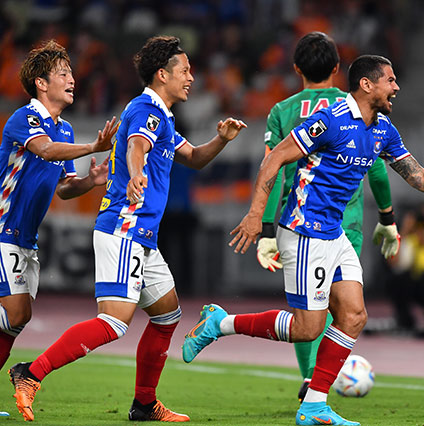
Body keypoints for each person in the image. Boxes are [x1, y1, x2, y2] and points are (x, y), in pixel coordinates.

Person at [183, 54, 424, 426]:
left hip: (334, 233)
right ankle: (220, 323)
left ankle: (314, 406)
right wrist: (255, 216)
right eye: (390, 80)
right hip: (304, 231)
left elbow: (416, 175)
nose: (396, 87)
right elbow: (274, 159)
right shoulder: (329, 121)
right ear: (367, 84)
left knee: (353, 316)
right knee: (307, 329)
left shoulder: (383, 129)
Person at [8, 35, 246, 422]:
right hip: (125, 227)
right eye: (185, 70)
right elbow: (137, 145)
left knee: (167, 315)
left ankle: (145, 404)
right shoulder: (145, 109)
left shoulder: (163, 116)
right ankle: (31, 373)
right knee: (114, 321)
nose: (191, 77)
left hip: (143, 236)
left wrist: (220, 139)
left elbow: (193, 157)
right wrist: (135, 174)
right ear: (162, 74)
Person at [256, 31, 399, 402]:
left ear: (296, 69)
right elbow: (377, 168)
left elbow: (275, 169)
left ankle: (311, 379)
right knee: (331, 308)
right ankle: (320, 386)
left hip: (299, 214)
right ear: (337, 68)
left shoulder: (282, 111)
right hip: (346, 220)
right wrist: (387, 216)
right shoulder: (352, 104)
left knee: (313, 307)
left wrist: (266, 229)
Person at [0, 39, 117, 417]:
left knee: (15, 322)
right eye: (63, 74)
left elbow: (65, 188)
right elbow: (46, 150)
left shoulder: (64, 129)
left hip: (25, 238)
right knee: (15, 314)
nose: (72, 80)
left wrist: (89, 181)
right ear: (40, 83)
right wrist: (94, 146)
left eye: (71, 73)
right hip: (2, 229)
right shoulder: (25, 118)